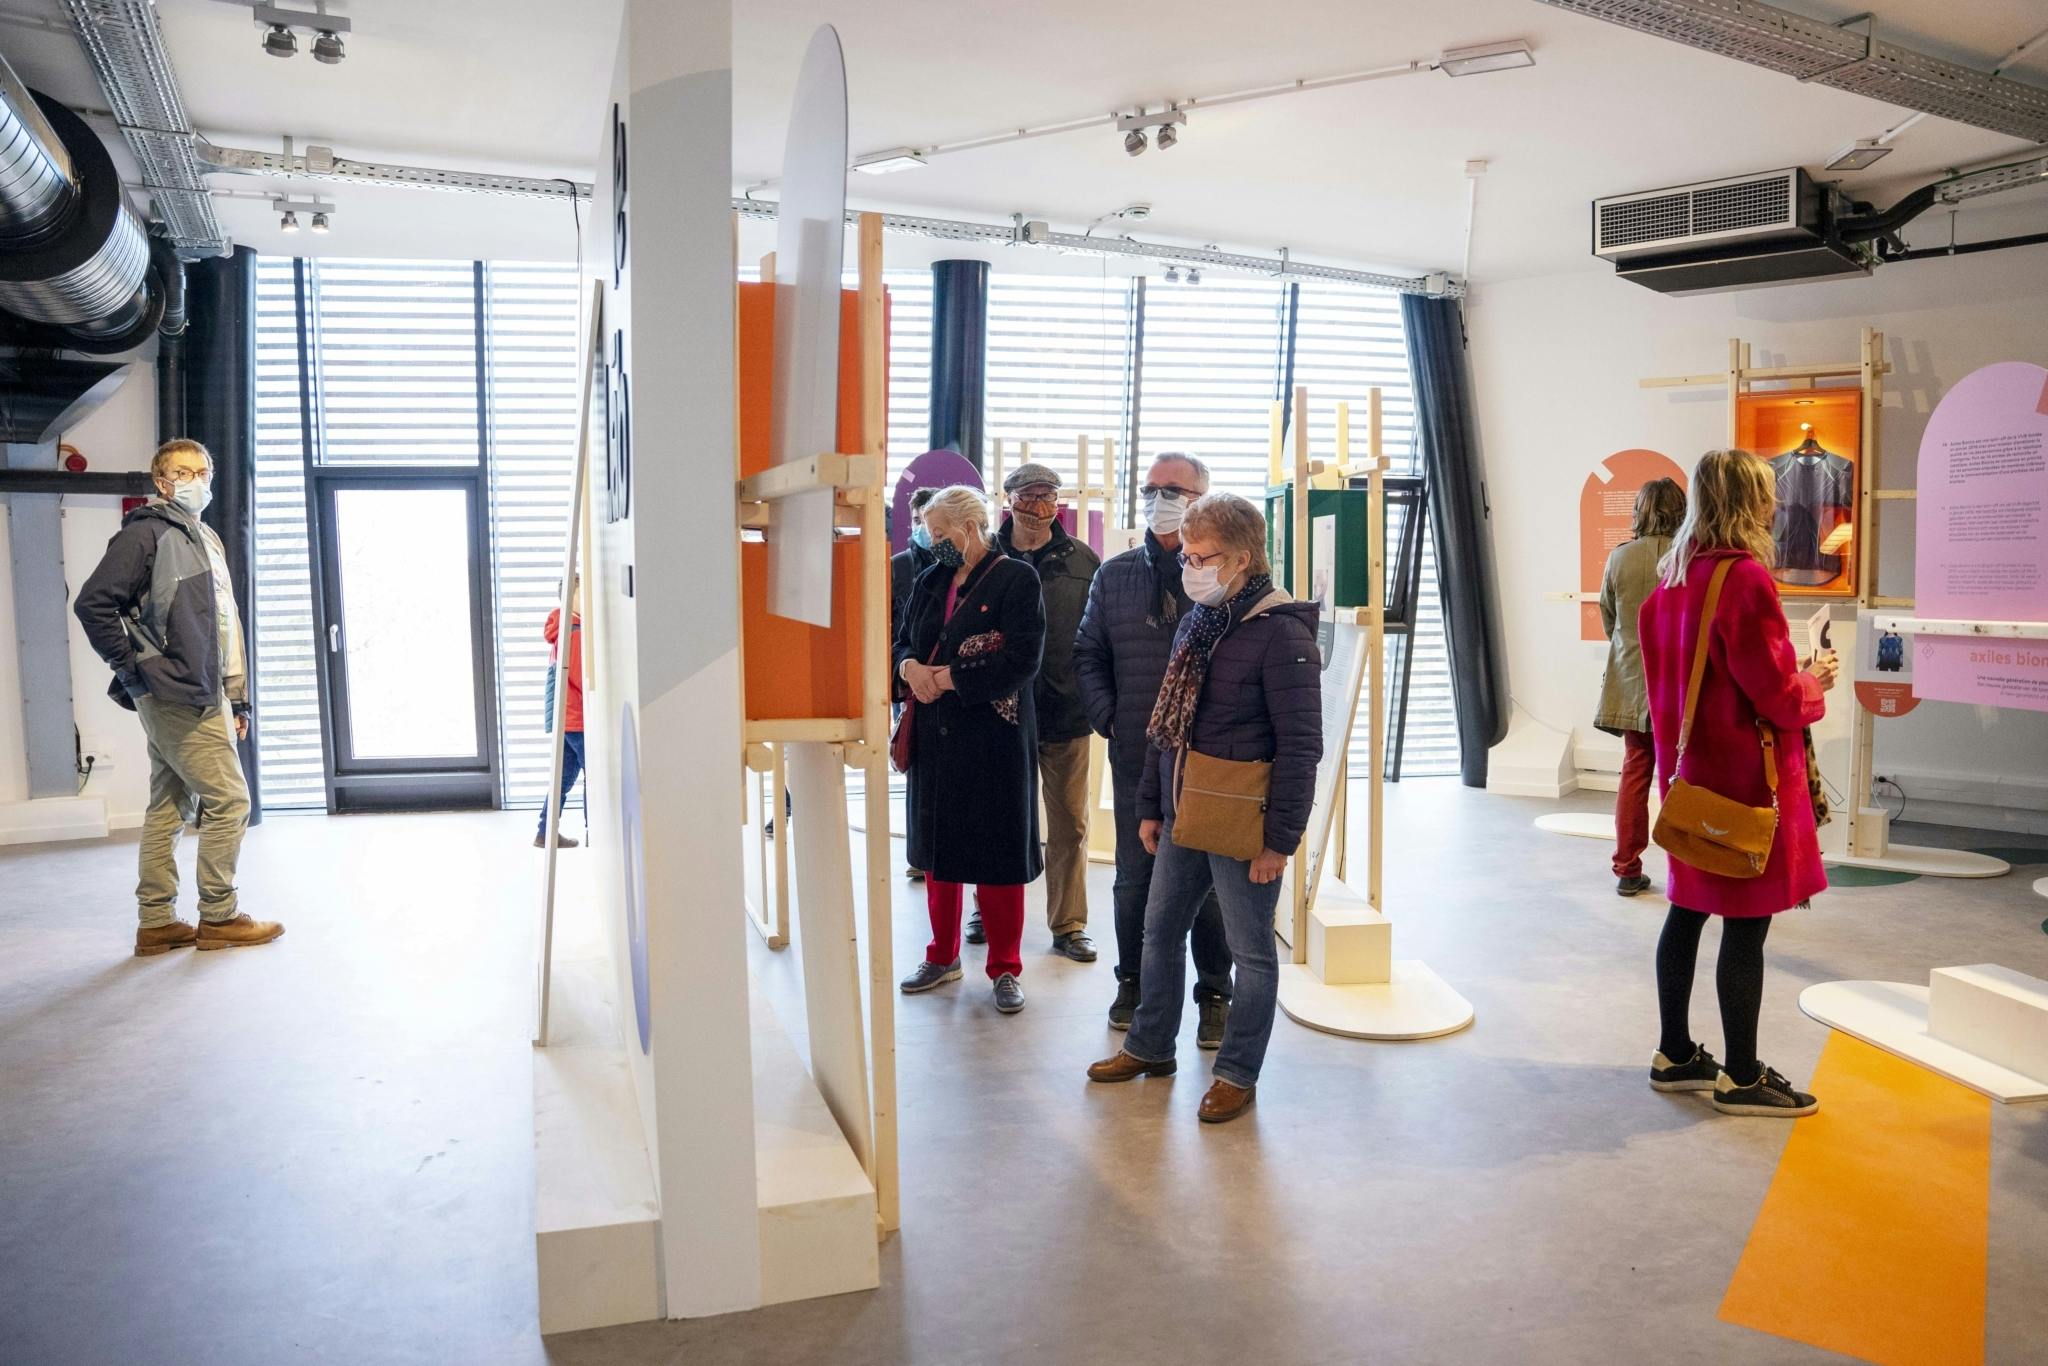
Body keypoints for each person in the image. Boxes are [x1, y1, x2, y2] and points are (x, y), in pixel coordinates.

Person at [1087, 492, 1321, 1124]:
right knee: (1159, 931)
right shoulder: (1199, 621)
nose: (1189, 567)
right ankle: (1150, 1045)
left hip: (1245, 824)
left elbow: (1301, 748)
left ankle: (1237, 1073)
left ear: (1242, 558)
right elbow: (1167, 729)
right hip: (1183, 812)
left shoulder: (1284, 634)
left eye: (1202, 557)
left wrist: (1280, 842)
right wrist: (1150, 806)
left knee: (1251, 955)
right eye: (1186, 556)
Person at [1638, 449, 1837, 1118]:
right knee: (1746, 927)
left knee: (1686, 911)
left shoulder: (1671, 580)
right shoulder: (1744, 579)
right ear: (1750, 503)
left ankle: (1674, 1054)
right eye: (1766, 496)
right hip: (1745, 783)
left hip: (1691, 782)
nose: (1776, 507)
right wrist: (1814, 680)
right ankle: (1743, 1077)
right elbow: (1776, 697)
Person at [73, 439, 283, 955]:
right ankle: (219, 916)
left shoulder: (205, 536)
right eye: (183, 472)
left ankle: (157, 923)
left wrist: (236, 698)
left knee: (170, 804)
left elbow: (224, 625)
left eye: (202, 472)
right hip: (177, 693)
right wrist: (137, 668)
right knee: (230, 801)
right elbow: (94, 604)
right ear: (161, 482)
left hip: (203, 690)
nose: (196, 481)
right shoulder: (145, 533)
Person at [1074, 453, 1235, 1042]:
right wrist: (1111, 719)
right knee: (1135, 879)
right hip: (1137, 756)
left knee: (1212, 884)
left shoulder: (1224, 575)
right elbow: (1087, 653)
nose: (1158, 499)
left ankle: (1215, 992)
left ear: (1202, 498)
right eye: (1150, 489)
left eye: (1173, 490)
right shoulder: (1114, 575)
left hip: (1212, 761)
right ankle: (1133, 984)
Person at [893, 486, 1046, 1014]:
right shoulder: (931, 578)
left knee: (997, 858)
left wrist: (947, 678)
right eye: (929, 532)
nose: (932, 541)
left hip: (994, 740)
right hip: (935, 736)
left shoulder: (1016, 579)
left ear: (971, 527)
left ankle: (1005, 967)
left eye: (940, 533)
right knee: (939, 857)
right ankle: (942, 955)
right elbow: (902, 639)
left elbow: (1022, 659)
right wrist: (909, 667)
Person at [996, 461, 1102, 962]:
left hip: (1065, 711)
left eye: (1047, 496)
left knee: (1070, 826)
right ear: (1009, 499)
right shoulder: (986, 555)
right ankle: (988, 910)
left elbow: (1096, 635)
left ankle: (1069, 923)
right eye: (1029, 495)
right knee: (998, 820)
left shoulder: (1083, 560)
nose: (1038, 506)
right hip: (999, 712)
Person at [1595, 477, 1686, 897]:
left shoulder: (1620, 558)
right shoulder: (1692, 557)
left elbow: (1609, 620)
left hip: (1633, 680)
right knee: (1682, 775)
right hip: (1681, 684)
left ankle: (1627, 868)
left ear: (1640, 511)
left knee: (1635, 768)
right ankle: (1686, 869)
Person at [891, 487, 939, 880]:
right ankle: (921, 854)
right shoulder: (901, 567)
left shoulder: (962, 566)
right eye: (918, 520)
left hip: (947, 681)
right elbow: (893, 625)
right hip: (909, 679)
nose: (924, 528)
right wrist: (903, 669)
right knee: (916, 769)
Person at [536, 591, 584, 849]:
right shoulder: (574, 631)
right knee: (596, 778)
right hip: (576, 717)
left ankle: (545, 832)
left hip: (566, 717)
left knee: (562, 780)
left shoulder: (563, 628)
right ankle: (595, 834)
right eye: (580, 593)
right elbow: (580, 677)